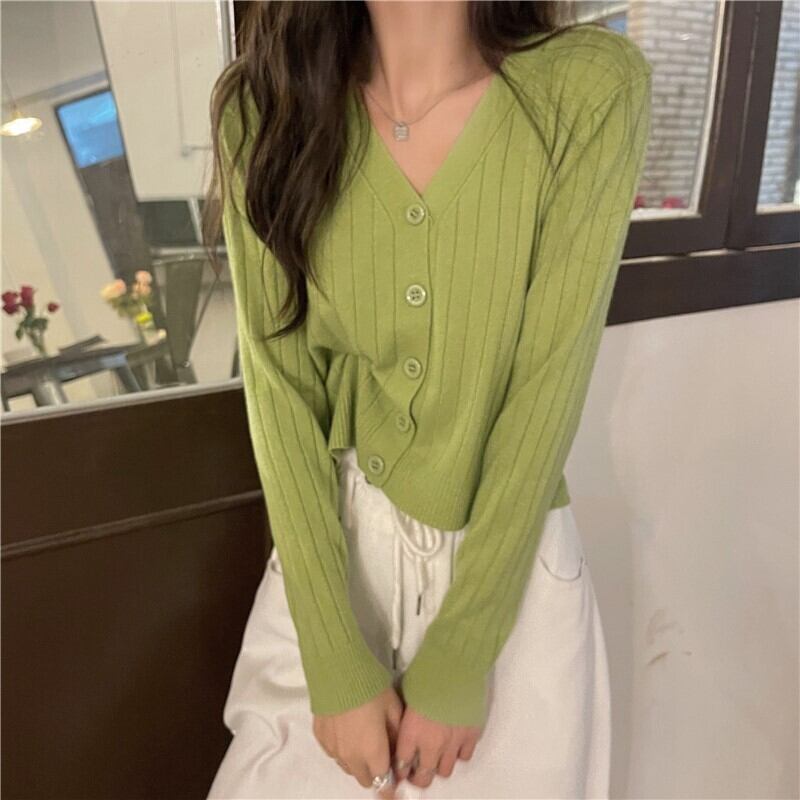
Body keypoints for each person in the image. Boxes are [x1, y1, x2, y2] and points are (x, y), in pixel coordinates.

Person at [203, 2, 652, 798]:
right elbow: (279, 391)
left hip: (506, 581)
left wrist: (463, 653)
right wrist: (332, 657)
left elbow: (547, 386)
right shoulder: (265, 108)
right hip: (333, 567)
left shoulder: (588, 90)